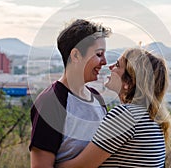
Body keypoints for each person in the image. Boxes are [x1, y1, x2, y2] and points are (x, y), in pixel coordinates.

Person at [58, 48, 171, 168]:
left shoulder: (126, 115)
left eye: (117, 65)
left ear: (128, 83)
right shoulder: (153, 118)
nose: (110, 67)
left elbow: (80, 166)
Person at [29, 19, 112, 168]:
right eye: (99, 54)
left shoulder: (97, 98)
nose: (104, 61)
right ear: (76, 55)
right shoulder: (51, 102)